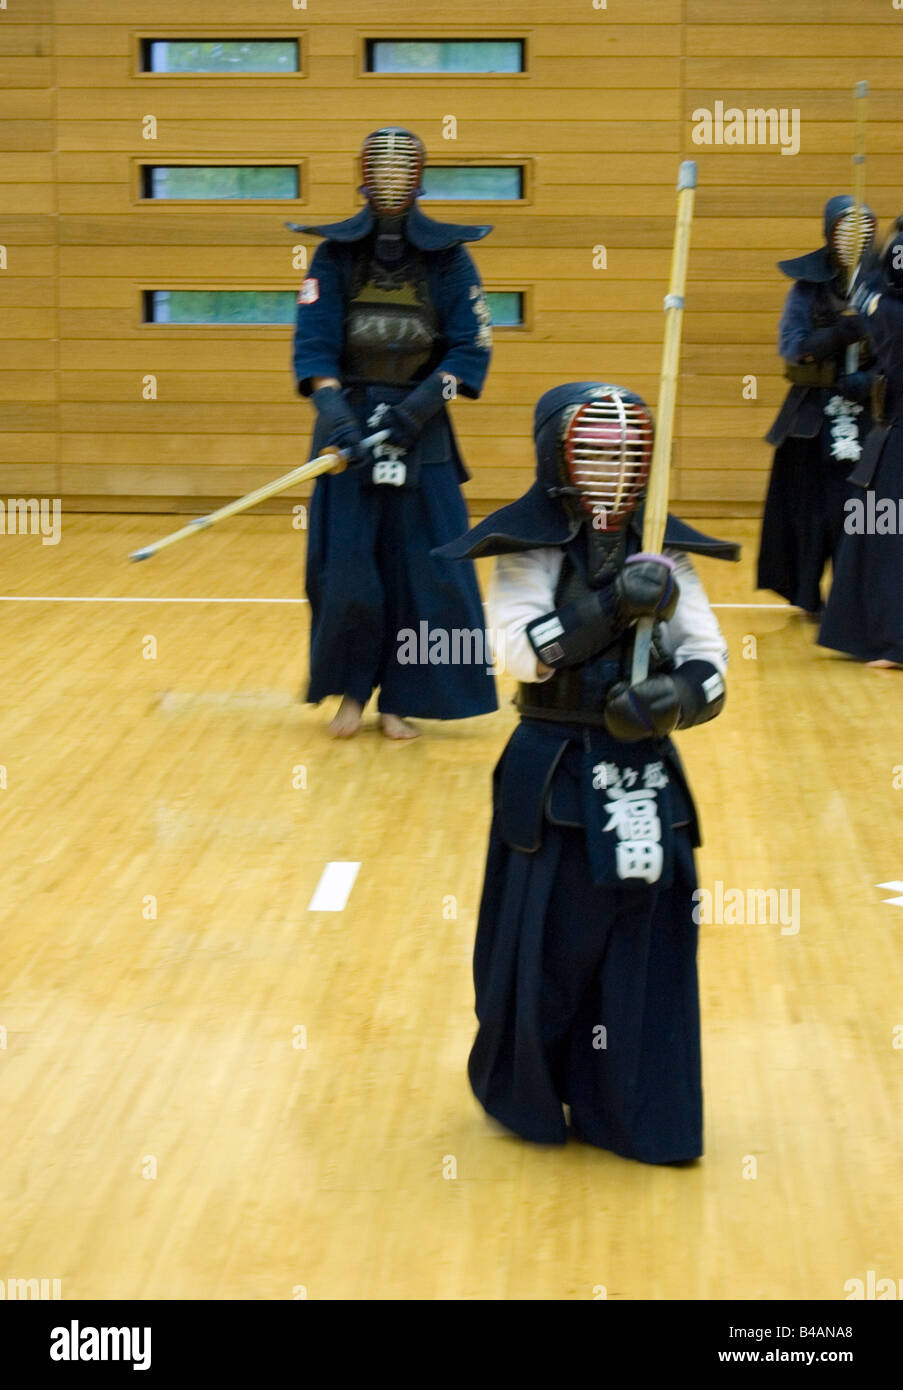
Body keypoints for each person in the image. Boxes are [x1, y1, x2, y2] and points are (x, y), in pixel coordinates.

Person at [434, 382, 739, 1163]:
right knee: (549, 947)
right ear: (557, 454)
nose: (614, 465)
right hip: (555, 773)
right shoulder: (529, 547)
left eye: (627, 451)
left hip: (643, 774)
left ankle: (631, 1109)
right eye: (596, 449)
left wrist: (671, 698)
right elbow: (514, 652)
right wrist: (606, 609)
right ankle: (530, 1092)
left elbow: (709, 661)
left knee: (643, 949)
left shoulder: (664, 549)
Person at [289, 127, 498, 738]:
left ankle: (403, 698)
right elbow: (315, 343)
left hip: (423, 430)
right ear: (362, 176)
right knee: (346, 568)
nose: (388, 181)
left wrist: (420, 408)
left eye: (400, 170)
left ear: (417, 179)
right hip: (349, 431)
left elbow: (469, 350)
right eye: (378, 170)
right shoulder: (334, 255)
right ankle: (352, 691)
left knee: (429, 573)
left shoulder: (450, 258)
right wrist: (334, 414)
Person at [757, 196, 877, 617]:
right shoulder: (807, 290)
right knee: (810, 514)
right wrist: (838, 333)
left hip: (868, 420)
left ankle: (856, 601)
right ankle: (808, 594)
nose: (851, 241)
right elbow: (793, 347)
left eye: (860, 233)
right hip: (810, 419)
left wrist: (868, 380)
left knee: (861, 514)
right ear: (828, 234)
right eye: (844, 231)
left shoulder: (885, 289)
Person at [819, 217, 903, 669]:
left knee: (888, 536)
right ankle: (870, 634)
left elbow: (866, 298)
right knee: (872, 527)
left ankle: (895, 641)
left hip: (897, 443)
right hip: (889, 437)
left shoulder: (889, 312)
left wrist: (865, 260)